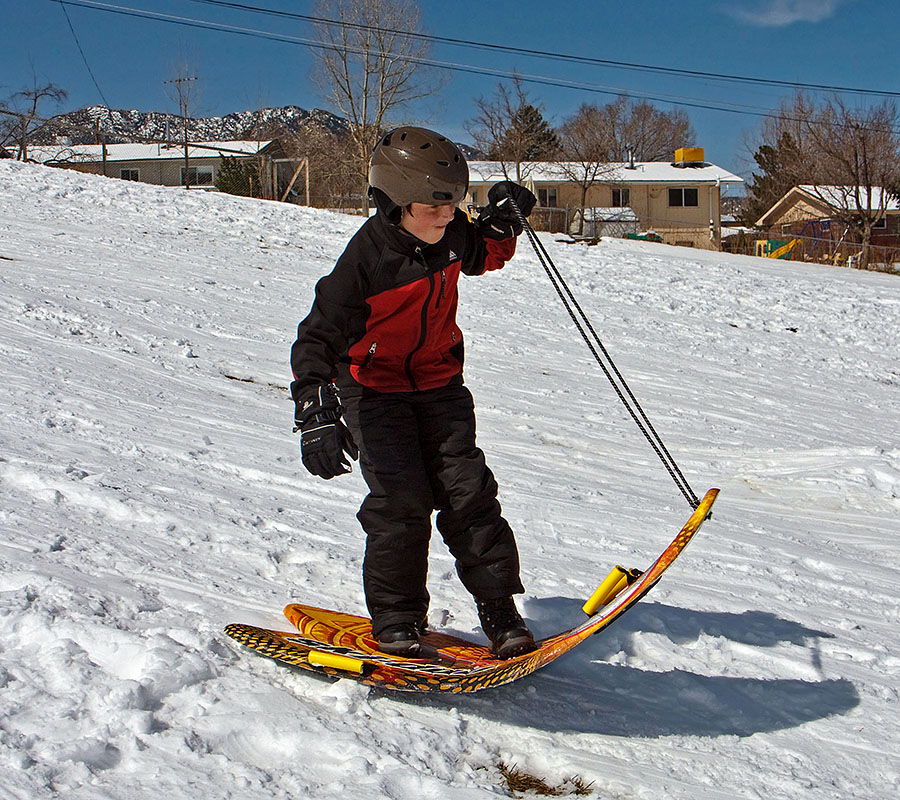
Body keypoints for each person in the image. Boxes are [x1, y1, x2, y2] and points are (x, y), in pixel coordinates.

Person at [290, 126, 537, 660]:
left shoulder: (448, 235)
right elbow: (317, 337)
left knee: (469, 495)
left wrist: (503, 219)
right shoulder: (365, 263)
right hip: (374, 392)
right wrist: (315, 409)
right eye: (436, 206)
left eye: (455, 206)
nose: (449, 217)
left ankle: (499, 609)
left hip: (440, 384)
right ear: (397, 202)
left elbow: (483, 253)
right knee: (401, 502)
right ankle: (398, 617)